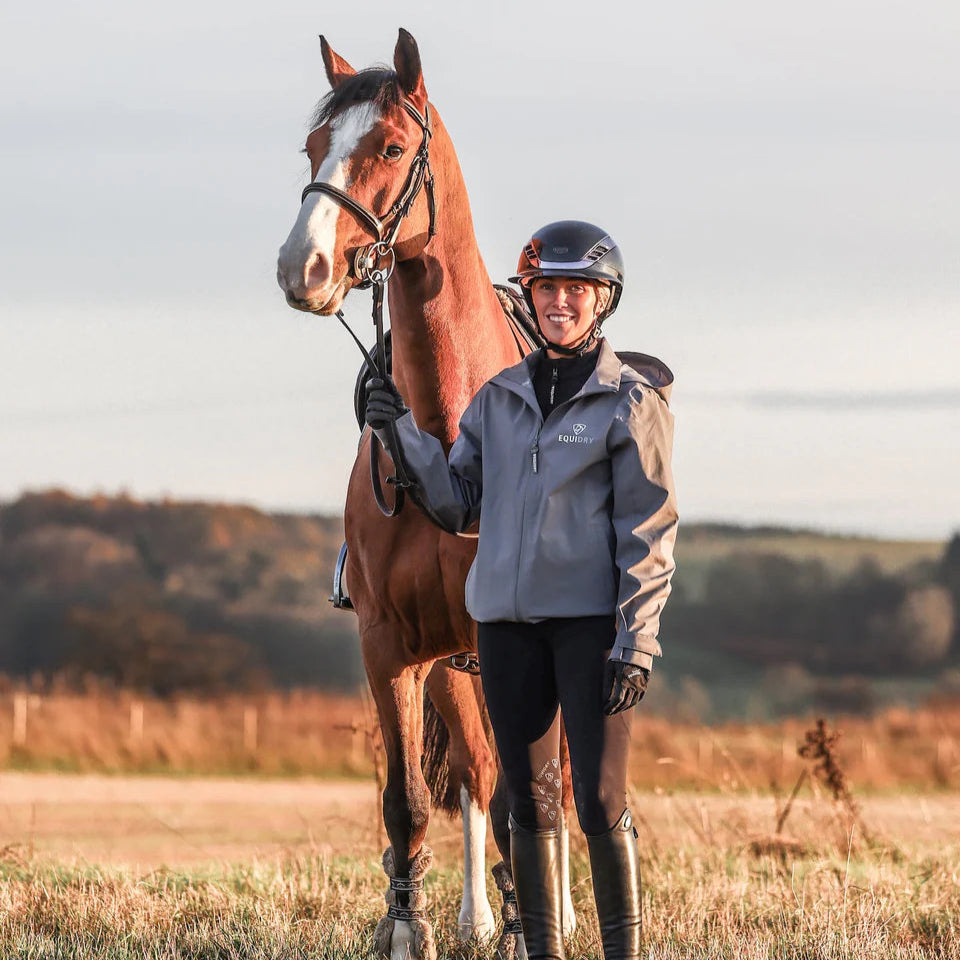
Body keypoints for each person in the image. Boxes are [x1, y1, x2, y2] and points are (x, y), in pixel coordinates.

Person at [365, 220, 678, 960]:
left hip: (590, 630)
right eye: (547, 289)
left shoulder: (632, 403)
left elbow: (650, 532)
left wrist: (636, 641)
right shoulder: (498, 399)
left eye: (576, 290)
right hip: (505, 630)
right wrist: (403, 432)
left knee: (597, 802)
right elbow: (459, 503)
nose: (559, 303)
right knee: (526, 807)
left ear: (603, 302)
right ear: (531, 298)